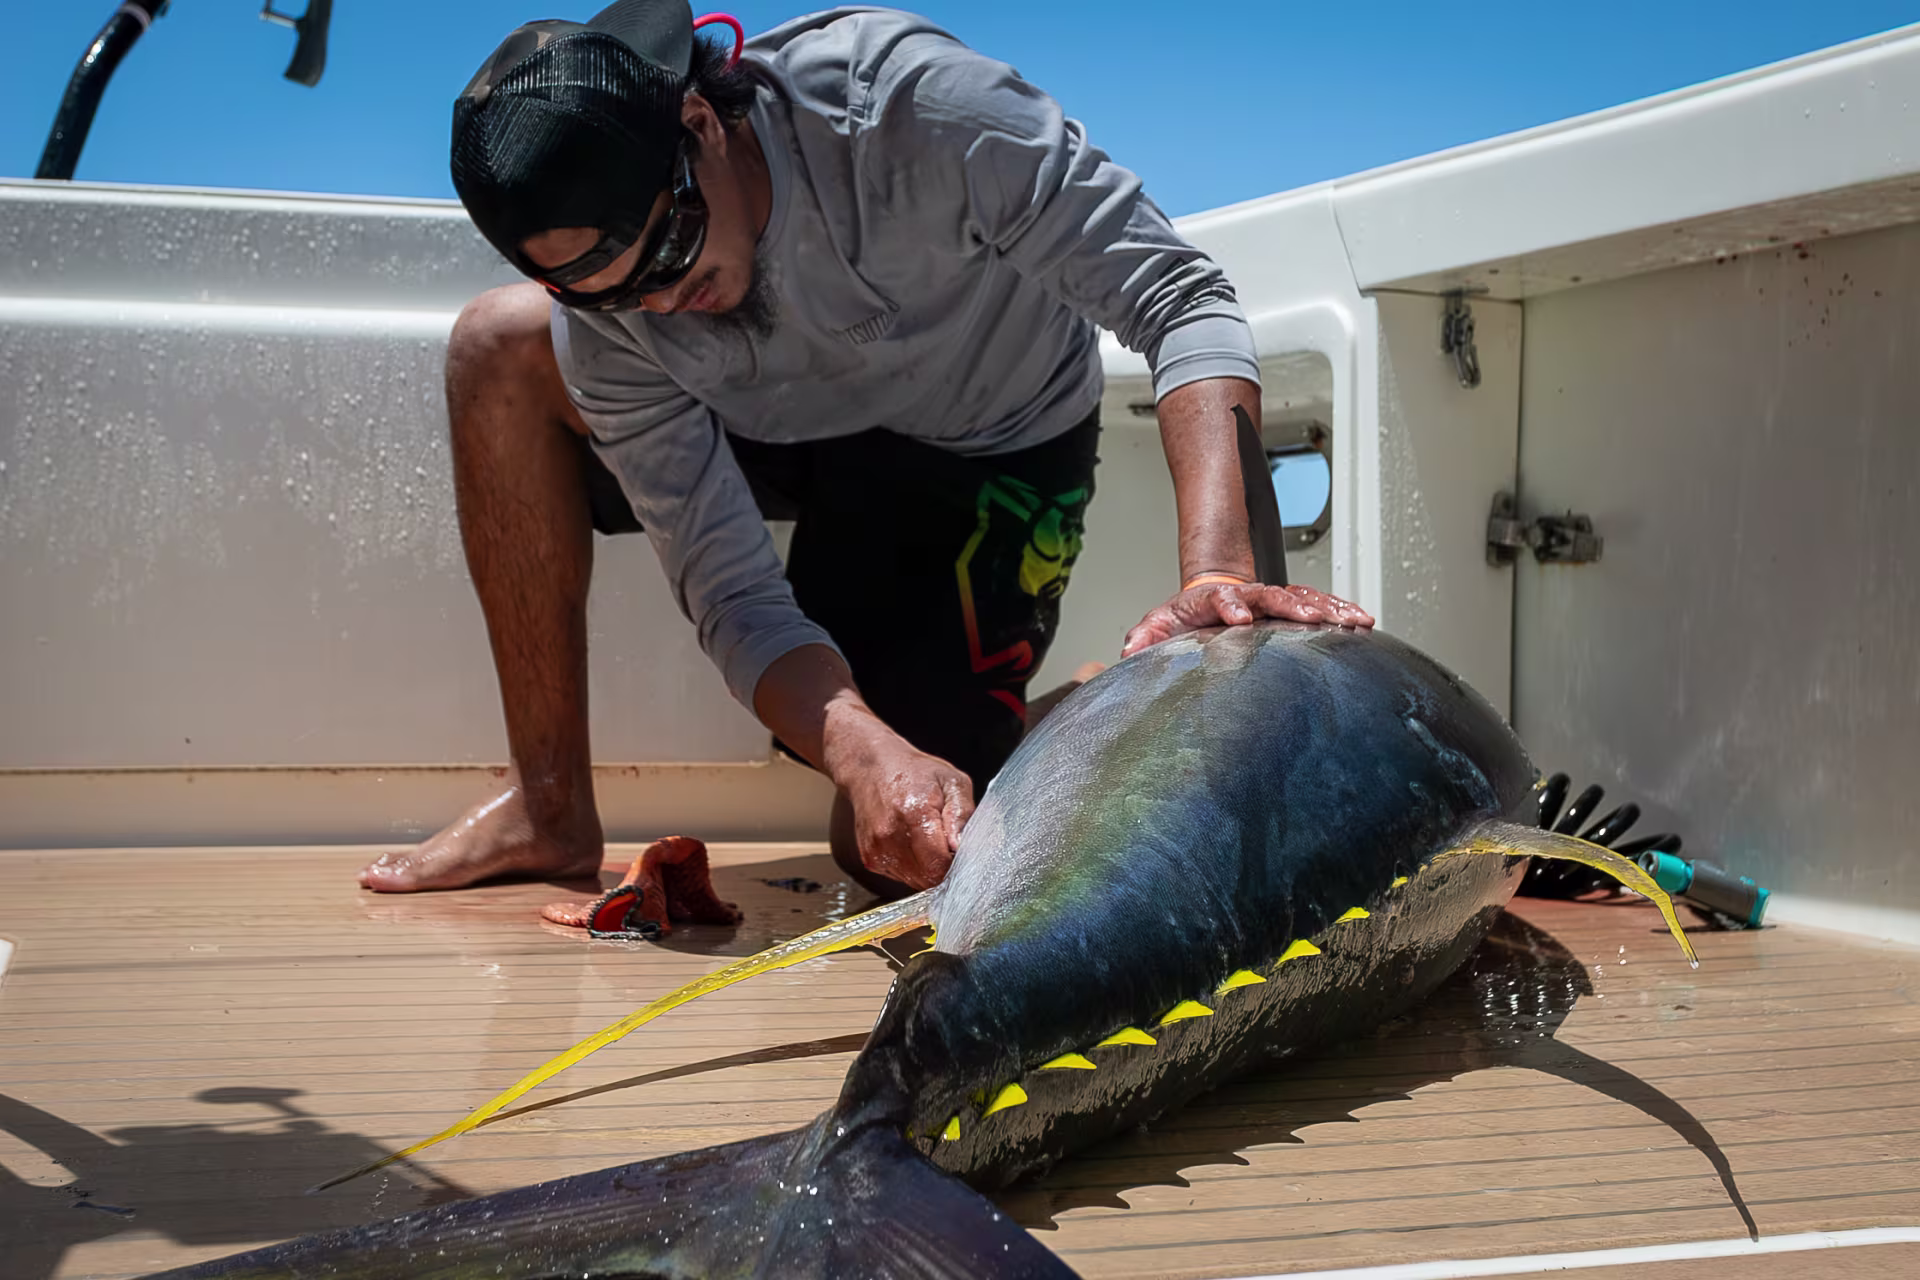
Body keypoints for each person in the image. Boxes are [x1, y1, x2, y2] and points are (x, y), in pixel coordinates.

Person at [357, 0, 1373, 901]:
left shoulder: (916, 108)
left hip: (983, 436)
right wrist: (857, 746)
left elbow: (1181, 299)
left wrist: (1223, 573)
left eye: (667, 250)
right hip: (774, 423)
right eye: (611, 290)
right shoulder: (613, 319)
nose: (661, 302)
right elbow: (732, 592)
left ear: (701, 124)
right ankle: (549, 809)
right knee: (501, 343)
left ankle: (1111, 701)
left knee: (878, 848)